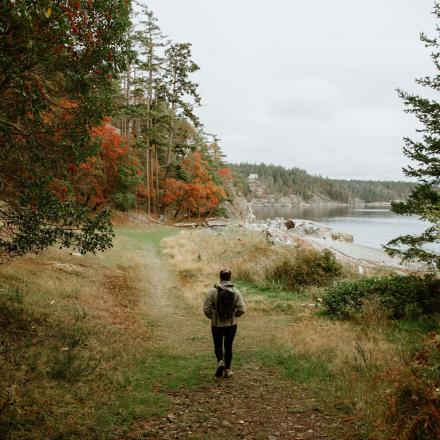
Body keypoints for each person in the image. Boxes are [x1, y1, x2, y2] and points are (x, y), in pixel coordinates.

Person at [203, 268, 246, 378]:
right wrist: (234, 316)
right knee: (228, 346)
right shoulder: (235, 291)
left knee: (218, 345)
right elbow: (242, 309)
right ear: (230, 277)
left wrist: (213, 317)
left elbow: (206, 309)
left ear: (220, 277)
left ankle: (220, 362)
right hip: (231, 325)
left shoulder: (213, 291)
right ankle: (227, 371)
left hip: (216, 324)